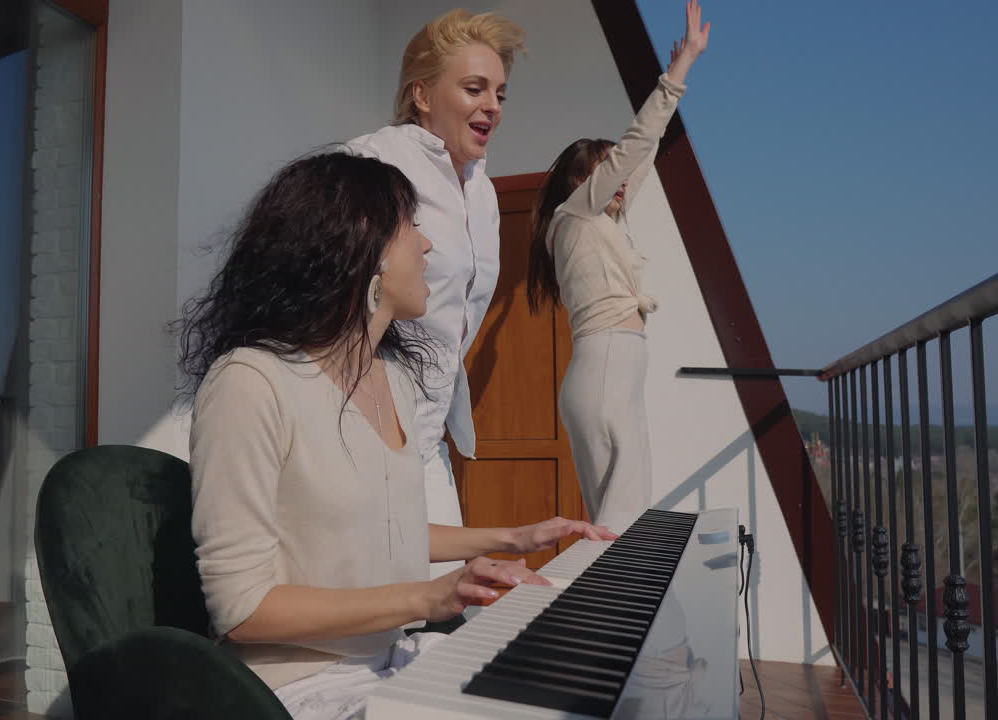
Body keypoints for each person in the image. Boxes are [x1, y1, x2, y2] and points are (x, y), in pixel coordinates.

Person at [180, 152, 616, 720]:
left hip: (394, 659)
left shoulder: (393, 382)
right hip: (295, 688)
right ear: (368, 246)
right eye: (412, 225)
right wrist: (428, 597)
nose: (428, 245)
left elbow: (388, 527)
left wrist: (513, 537)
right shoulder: (249, 383)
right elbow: (242, 609)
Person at [346, 9, 526, 577]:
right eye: (474, 88)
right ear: (422, 94)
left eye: (500, 92)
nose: (492, 105)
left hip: (428, 435)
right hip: (363, 430)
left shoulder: (483, 193)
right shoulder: (372, 162)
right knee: (384, 613)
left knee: (450, 601)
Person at [525, 0, 710, 531]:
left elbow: (641, 155)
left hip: (608, 372)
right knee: (619, 529)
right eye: (607, 170)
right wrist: (682, 67)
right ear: (580, 180)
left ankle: (589, 608)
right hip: (607, 368)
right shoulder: (575, 214)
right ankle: (591, 610)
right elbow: (637, 143)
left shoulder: (593, 221)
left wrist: (681, 68)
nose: (620, 180)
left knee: (611, 526)